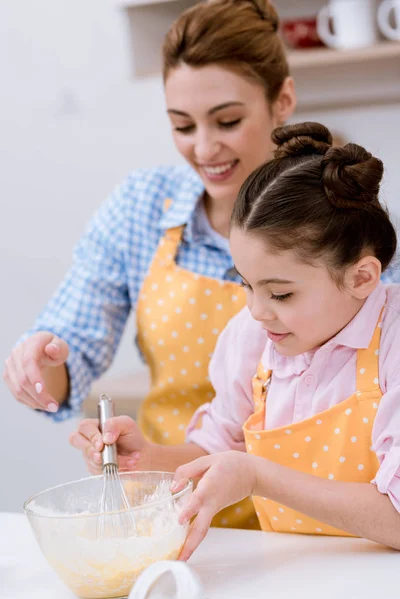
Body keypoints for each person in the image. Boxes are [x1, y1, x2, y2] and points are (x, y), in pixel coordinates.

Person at [3, 0, 297, 529]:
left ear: (283, 101)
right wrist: (39, 363)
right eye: (182, 126)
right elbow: (68, 359)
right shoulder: (143, 208)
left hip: (299, 520)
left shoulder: (333, 222)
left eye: (227, 121)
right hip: (166, 507)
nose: (205, 148)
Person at [70, 122, 400, 561]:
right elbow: (217, 449)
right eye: (245, 284)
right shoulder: (252, 337)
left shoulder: (391, 338)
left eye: (281, 293)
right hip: (291, 577)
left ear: (362, 277)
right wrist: (145, 459)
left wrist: (258, 477)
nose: (257, 310)